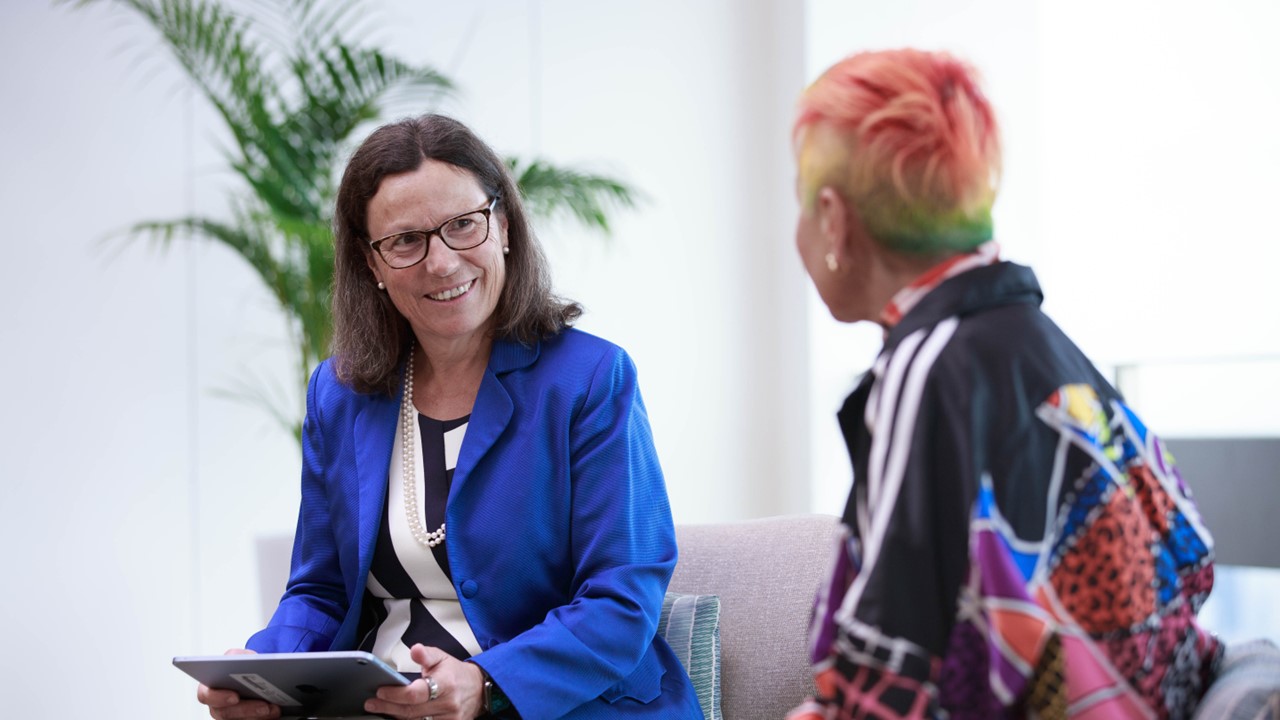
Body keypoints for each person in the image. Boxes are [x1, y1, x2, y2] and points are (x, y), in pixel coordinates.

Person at [196, 114, 704, 720]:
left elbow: (622, 599)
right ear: (372, 264)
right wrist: (264, 672)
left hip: (558, 705)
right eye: (406, 241)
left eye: (464, 225)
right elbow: (320, 590)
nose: (441, 262)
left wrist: (487, 684)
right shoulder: (339, 394)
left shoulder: (589, 379)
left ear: (504, 228)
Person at [786, 49, 1220, 719]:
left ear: (835, 221)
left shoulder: (925, 365)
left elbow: (886, 669)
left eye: (801, 205)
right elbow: (1187, 565)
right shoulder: (1049, 348)